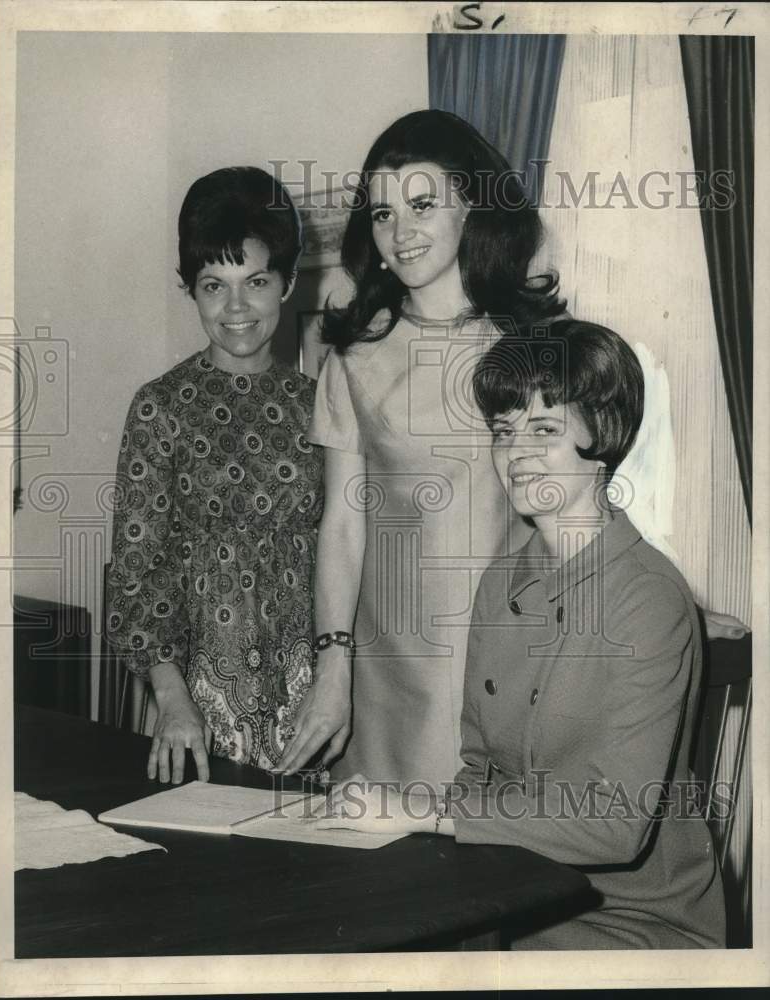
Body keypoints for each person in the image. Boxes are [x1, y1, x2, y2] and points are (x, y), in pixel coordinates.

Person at [311, 319, 726, 950]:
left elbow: (616, 822)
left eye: (545, 429)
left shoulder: (650, 599)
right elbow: (480, 768)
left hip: (628, 924)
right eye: (504, 432)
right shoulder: (503, 578)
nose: (516, 453)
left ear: (602, 433)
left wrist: (421, 812)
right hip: (512, 895)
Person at [275, 110, 566, 786]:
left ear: (471, 206)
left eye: (421, 204)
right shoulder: (353, 356)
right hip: (387, 667)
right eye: (381, 214)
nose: (400, 232)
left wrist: (663, 597)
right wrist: (331, 664)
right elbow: (342, 527)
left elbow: (574, 509)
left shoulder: (534, 349)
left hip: (508, 654)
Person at [106, 166, 324, 783]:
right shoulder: (160, 408)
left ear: (285, 284)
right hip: (198, 702)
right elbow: (136, 573)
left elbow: (344, 550)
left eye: (255, 281)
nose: (235, 308)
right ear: (191, 291)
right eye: (212, 286)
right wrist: (174, 702)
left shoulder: (321, 404)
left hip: (311, 700)